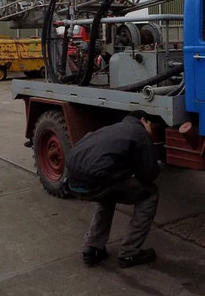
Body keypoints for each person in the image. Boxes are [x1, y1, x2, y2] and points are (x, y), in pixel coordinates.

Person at [64, 109, 160, 268]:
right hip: (96, 180)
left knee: (107, 194)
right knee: (150, 193)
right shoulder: (140, 132)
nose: (152, 129)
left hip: (73, 180)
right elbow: (148, 175)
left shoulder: (111, 129)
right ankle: (130, 252)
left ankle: (92, 248)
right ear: (143, 120)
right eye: (151, 125)